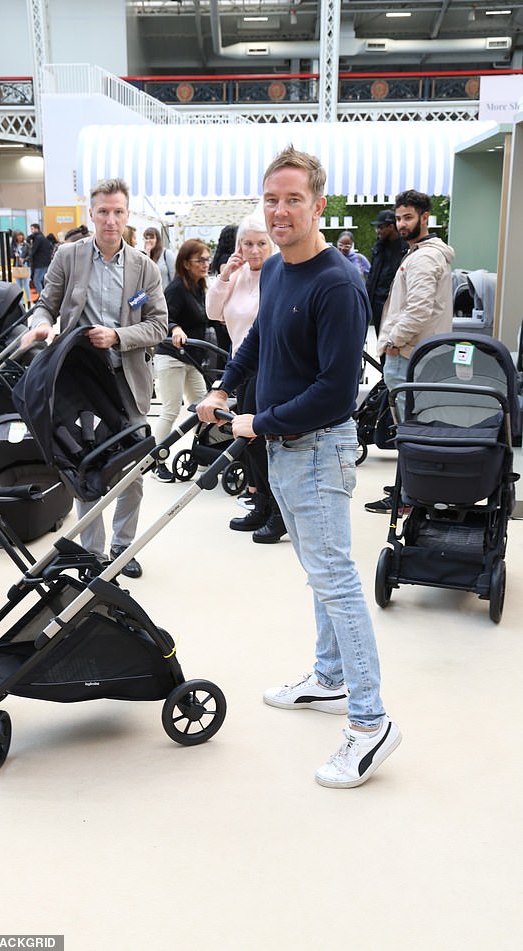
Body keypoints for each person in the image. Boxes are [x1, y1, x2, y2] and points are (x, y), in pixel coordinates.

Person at [197, 146, 401, 789]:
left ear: (318, 205)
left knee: (335, 579)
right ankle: (330, 677)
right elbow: (258, 338)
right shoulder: (281, 268)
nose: (280, 212)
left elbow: (339, 394)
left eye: (293, 200)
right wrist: (225, 388)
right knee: (320, 573)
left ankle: (371, 724)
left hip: (316, 450)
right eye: (271, 200)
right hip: (289, 449)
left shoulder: (337, 284)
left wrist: (260, 421)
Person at [20, 177, 167, 578]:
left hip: (127, 380)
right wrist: (43, 326)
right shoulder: (68, 256)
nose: (111, 220)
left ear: (127, 214)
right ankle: (92, 552)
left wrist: (118, 336)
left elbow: (158, 326)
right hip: (79, 381)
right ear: (92, 213)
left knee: (133, 466)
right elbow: (45, 305)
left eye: (118, 212)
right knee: (85, 464)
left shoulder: (144, 268)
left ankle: (123, 547)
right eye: (103, 211)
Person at [365, 190, 455, 514]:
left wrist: (392, 342)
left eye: (408, 217)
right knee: (414, 429)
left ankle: (409, 497)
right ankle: (409, 489)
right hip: (414, 355)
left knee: (411, 431)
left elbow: (417, 310)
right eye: (399, 217)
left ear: (424, 217)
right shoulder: (419, 253)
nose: (402, 224)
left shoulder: (425, 257)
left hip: (409, 356)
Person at [206, 215, 286, 543]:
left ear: (272, 244)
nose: (254, 250)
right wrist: (225, 275)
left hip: (271, 369)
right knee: (249, 445)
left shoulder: (279, 274)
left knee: (262, 442)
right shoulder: (237, 276)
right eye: (248, 243)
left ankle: (278, 512)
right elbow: (212, 312)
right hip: (241, 365)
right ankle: (261, 504)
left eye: (260, 243)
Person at [151, 239, 210, 482]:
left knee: (205, 409)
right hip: (172, 357)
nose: (206, 264)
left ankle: (203, 454)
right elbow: (164, 316)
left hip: (192, 359)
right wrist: (175, 328)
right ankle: (155, 461)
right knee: (171, 409)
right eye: (200, 260)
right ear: (186, 263)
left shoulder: (200, 287)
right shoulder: (176, 288)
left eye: (208, 259)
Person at [366, 210, 408, 337]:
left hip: (396, 304)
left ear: (391, 226)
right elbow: (372, 275)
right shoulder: (379, 247)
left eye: (381, 227)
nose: (378, 231)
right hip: (378, 303)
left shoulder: (405, 248)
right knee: (381, 341)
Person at [28, 223, 53, 296]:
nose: (31, 231)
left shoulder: (38, 238)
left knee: (37, 280)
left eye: (32, 229)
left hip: (40, 263)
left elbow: (33, 250)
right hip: (45, 262)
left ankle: (42, 297)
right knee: (42, 280)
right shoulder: (42, 237)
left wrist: (28, 257)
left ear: (36, 229)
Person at [12, 231, 32, 307]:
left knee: (26, 285)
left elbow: (30, 255)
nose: (20, 237)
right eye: (18, 235)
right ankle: (22, 303)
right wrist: (15, 255)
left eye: (21, 235)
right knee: (19, 286)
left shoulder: (26, 245)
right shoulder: (14, 246)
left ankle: (29, 301)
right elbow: (10, 254)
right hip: (17, 266)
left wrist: (24, 259)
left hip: (25, 266)